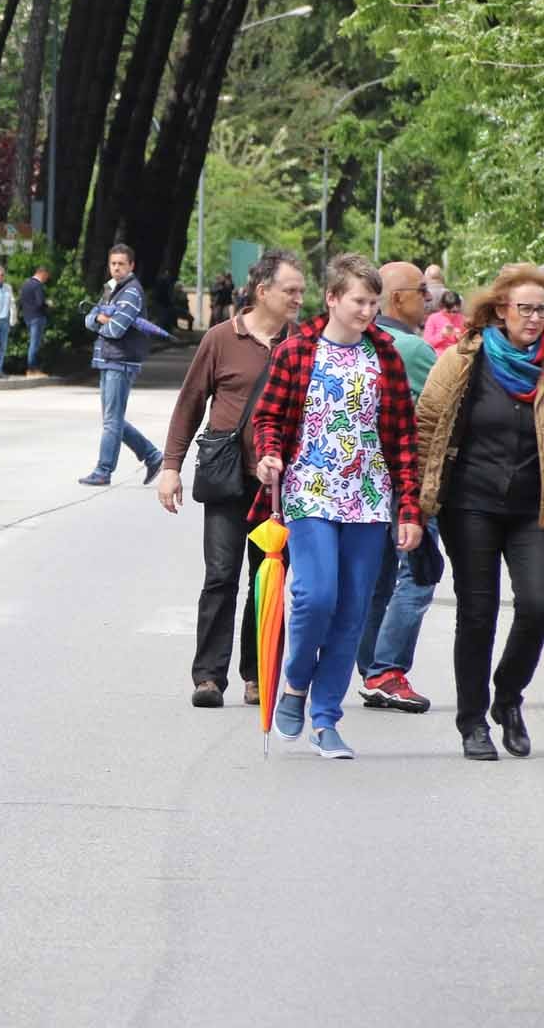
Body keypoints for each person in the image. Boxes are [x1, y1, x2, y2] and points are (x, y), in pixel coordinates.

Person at [253, 254, 422, 760]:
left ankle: (326, 720)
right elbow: (268, 417)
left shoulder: (385, 357)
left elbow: (403, 439)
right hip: (309, 493)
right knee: (314, 596)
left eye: (373, 302)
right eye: (358, 301)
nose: (368, 311)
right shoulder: (298, 351)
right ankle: (295, 685)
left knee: (351, 611)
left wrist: (409, 509)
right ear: (332, 299)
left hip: (369, 501)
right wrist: (268, 453)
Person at [158, 249, 305, 709]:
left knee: (268, 578)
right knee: (221, 576)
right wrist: (169, 467)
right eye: (291, 291)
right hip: (226, 478)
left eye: (301, 291)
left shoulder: (303, 343)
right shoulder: (221, 338)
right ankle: (208, 676)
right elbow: (190, 403)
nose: (300, 298)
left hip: (279, 485)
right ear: (263, 292)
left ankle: (256, 673)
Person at [415, 265, 544, 761]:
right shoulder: (464, 360)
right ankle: (472, 720)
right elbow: (428, 423)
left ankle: (508, 697)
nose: (533, 318)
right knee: (477, 614)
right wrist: (417, 504)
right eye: (524, 308)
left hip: (531, 508)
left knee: (537, 605)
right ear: (500, 311)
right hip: (470, 505)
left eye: (540, 310)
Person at [355, 261, 441, 714]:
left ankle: (371, 667)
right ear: (396, 299)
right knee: (420, 573)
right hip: (409, 482)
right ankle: (387, 669)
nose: (429, 297)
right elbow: (448, 408)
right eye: (421, 290)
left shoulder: (361, 343)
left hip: (368, 481)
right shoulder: (410, 348)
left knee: (379, 578)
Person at [79, 245, 164, 487]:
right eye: (113, 263)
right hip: (107, 359)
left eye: (121, 264)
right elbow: (89, 318)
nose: (116, 268)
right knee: (112, 419)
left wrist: (101, 320)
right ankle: (152, 456)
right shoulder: (111, 288)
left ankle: (104, 470)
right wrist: (99, 318)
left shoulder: (131, 292)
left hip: (121, 360)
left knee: (111, 420)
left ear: (131, 266)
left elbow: (116, 329)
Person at [19, 265, 51, 377]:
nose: (46, 279)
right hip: (37, 317)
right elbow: (40, 303)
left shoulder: (26, 284)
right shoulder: (37, 285)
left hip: (28, 317)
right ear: (42, 273)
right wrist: (49, 305)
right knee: (35, 344)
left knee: (33, 343)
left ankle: (31, 368)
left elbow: (21, 301)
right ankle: (32, 369)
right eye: (46, 276)